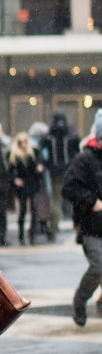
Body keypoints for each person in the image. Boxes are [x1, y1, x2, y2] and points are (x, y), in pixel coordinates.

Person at [62, 109, 102, 328]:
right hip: (92, 226)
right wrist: (91, 201)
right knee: (98, 266)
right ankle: (80, 301)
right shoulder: (85, 159)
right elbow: (69, 188)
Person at [43, 113, 79, 239]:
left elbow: (43, 154)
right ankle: (78, 226)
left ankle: (53, 228)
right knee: (72, 200)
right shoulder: (71, 135)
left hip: (55, 172)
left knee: (56, 201)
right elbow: (77, 153)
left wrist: (48, 165)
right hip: (69, 171)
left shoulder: (49, 136)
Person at [8, 132, 43, 245]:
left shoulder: (33, 152)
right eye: (20, 142)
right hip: (22, 186)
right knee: (22, 211)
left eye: (25, 141)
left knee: (34, 210)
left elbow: (39, 167)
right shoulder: (14, 155)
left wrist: (39, 169)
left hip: (31, 183)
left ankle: (32, 233)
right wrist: (15, 180)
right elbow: (10, 171)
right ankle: (21, 234)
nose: (23, 144)